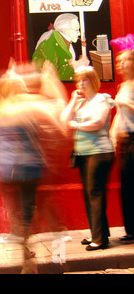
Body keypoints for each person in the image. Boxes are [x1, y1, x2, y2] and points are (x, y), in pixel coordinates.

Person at [0, 60, 67, 272]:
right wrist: (51, 78)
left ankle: (26, 250)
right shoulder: (23, 103)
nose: (24, 83)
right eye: (21, 82)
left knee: (22, 213)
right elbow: (57, 108)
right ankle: (49, 258)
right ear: (15, 87)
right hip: (27, 166)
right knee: (36, 211)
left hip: (4, 169)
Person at [61, 65, 114, 251]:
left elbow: (98, 123)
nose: (80, 83)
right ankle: (98, 233)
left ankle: (99, 240)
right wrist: (73, 102)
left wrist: (75, 124)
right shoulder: (81, 102)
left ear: (93, 80)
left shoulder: (102, 100)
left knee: (95, 194)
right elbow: (63, 119)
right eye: (78, 80)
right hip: (83, 153)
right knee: (89, 194)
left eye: (84, 79)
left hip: (99, 153)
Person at [109, 34, 134, 243]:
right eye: (118, 61)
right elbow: (120, 115)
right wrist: (113, 133)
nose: (120, 64)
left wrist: (125, 104)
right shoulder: (123, 86)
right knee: (126, 186)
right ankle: (131, 230)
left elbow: (126, 109)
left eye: (124, 60)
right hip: (125, 141)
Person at [32, 13, 81, 81]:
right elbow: (52, 74)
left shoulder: (66, 42)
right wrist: (77, 66)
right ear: (66, 31)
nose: (79, 33)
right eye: (76, 30)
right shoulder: (49, 44)